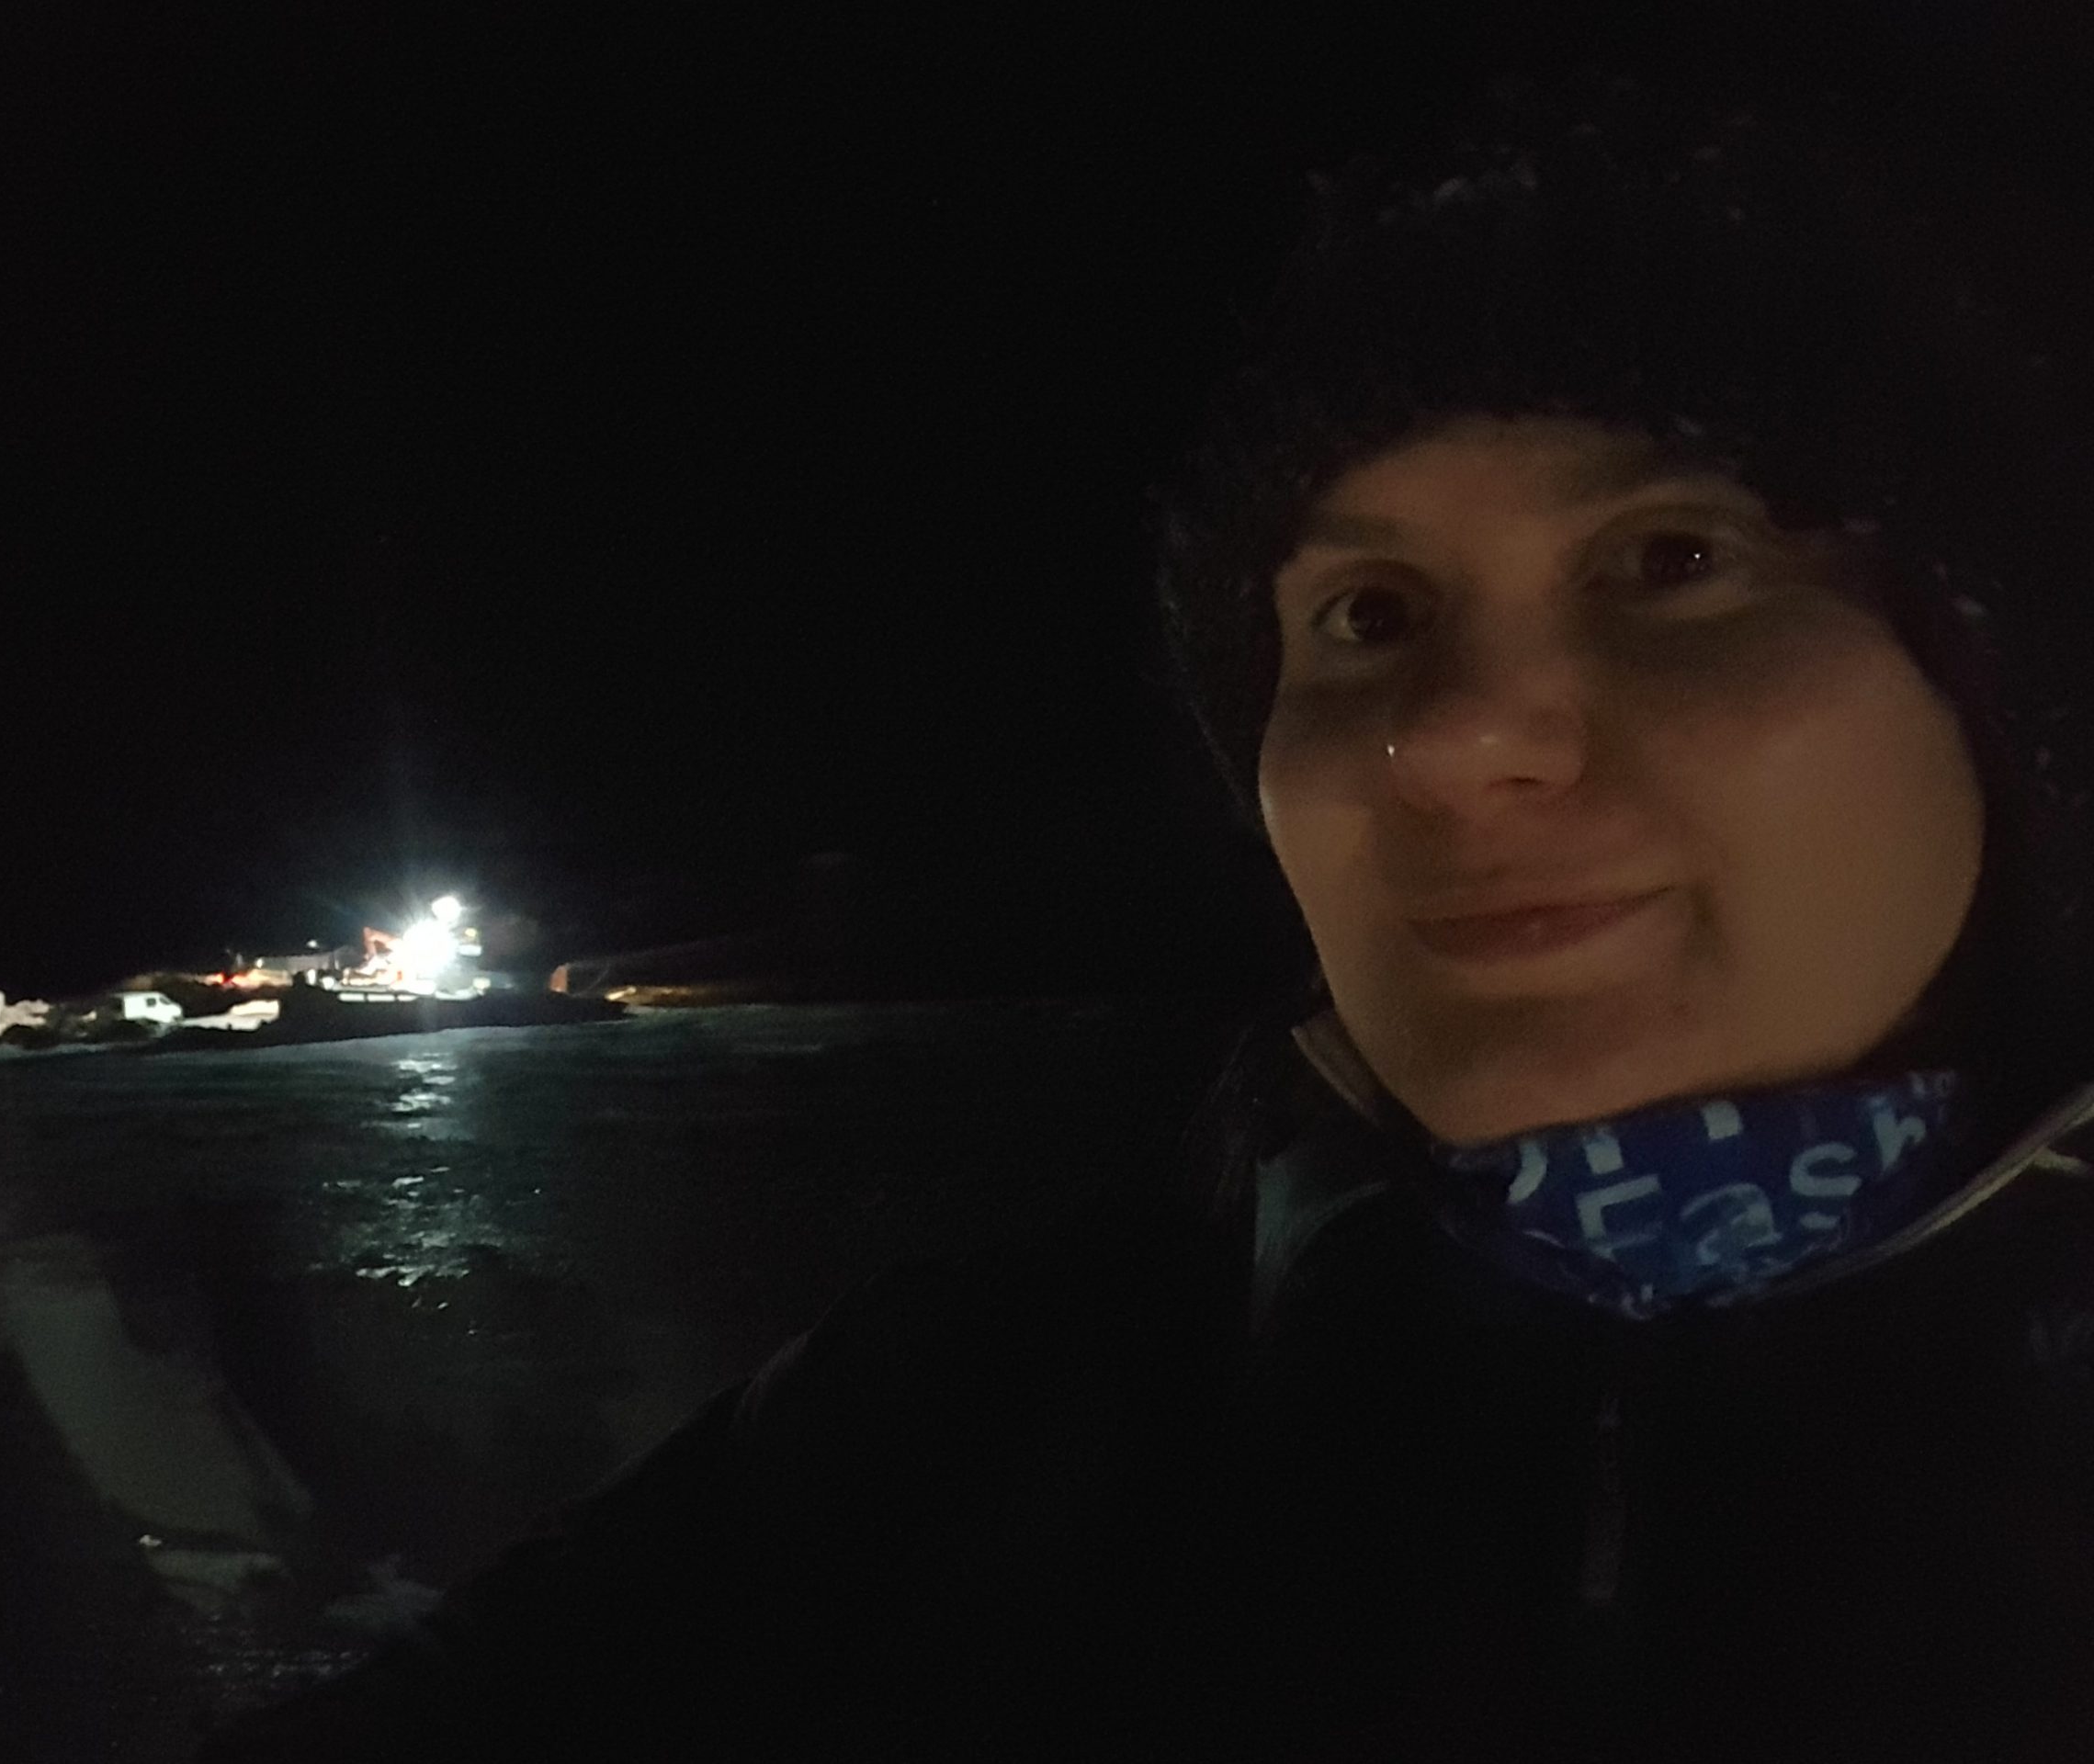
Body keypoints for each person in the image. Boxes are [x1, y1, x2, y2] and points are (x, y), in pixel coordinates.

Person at [198, 62, 2094, 1759]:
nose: (1448, 740)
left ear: (1995, 694)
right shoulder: (958, 1432)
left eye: (1668, 560)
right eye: (1364, 617)